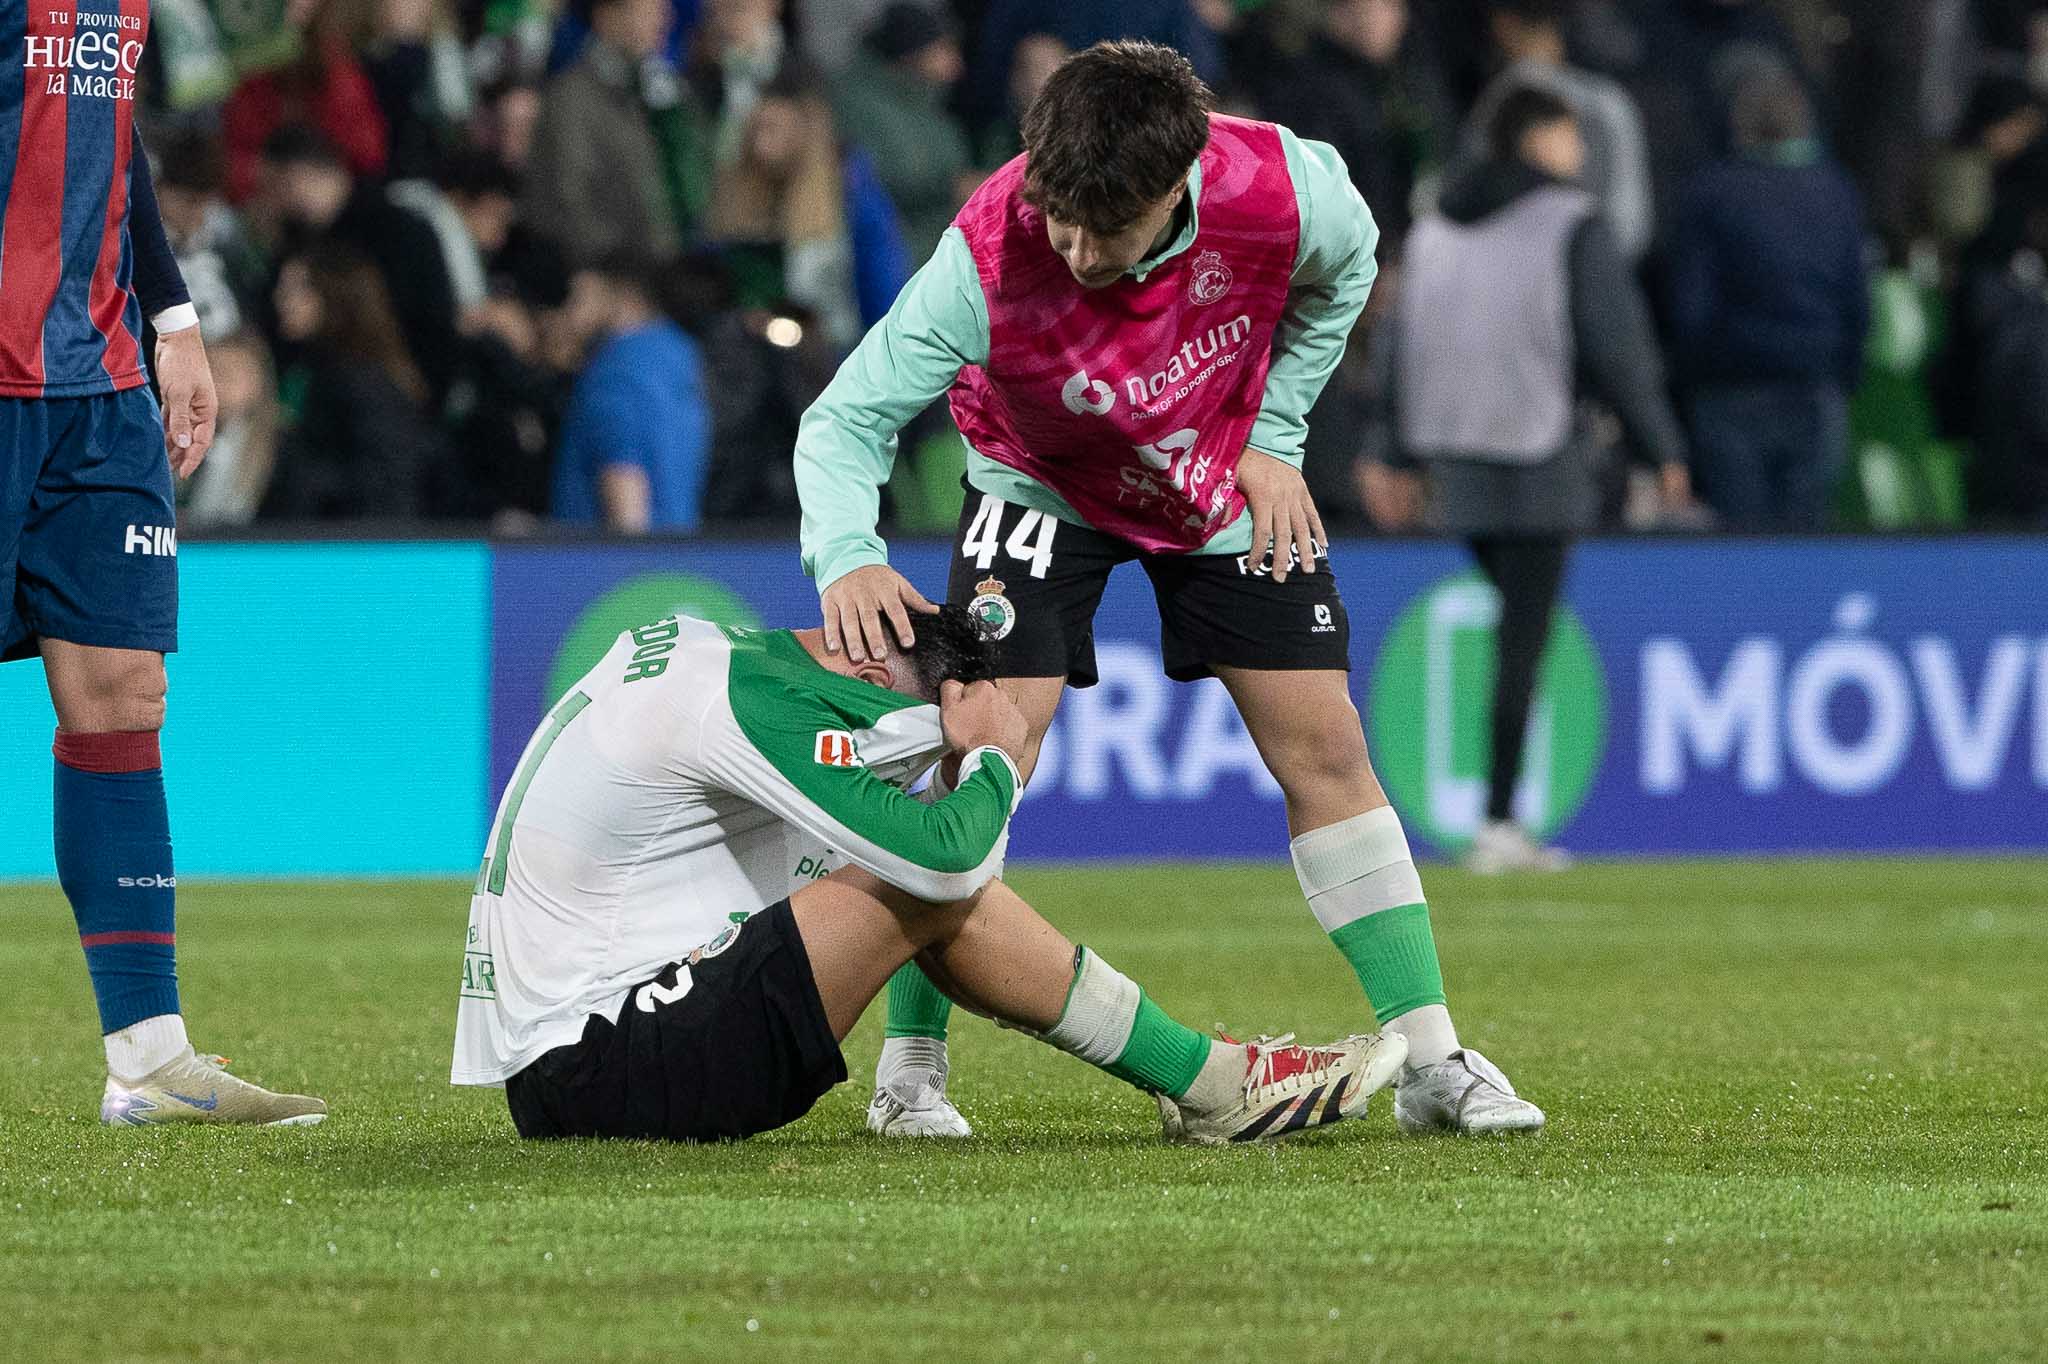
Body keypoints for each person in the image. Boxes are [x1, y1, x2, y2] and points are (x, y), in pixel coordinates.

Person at [793, 41, 1544, 1139]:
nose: (1079, 249)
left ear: (1181, 183)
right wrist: (848, 552)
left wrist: (1276, 433)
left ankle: (1430, 1061)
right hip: (1036, 482)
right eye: (1062, 217)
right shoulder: (986, 255)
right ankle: (909, 1067)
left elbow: (1353, 264)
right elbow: (843, 417)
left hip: (1217, 476)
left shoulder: (1285, 189)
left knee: (1324, 745)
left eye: (1112, 227)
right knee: (976, 753)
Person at [452, 604, 1407, 1144]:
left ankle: (1183, 1084)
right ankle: (1216, 1085)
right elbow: (946, 859)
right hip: (604, 1067)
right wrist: (987, 758)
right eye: (905, 737)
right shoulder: (744, 704)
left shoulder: (713, 651)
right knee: (918, 874)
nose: (902, 758)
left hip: (581, 1052)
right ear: (872, 678)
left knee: (888, 854)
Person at [1, 12, 324, 1124]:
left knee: (123, 693)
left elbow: (106, 135)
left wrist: (174, 316)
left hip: (96, 388)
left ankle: (146, 1054)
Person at [1366, 89, 1691, 871]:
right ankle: (1500, 821)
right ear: (1538, 137)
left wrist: (1396, 448)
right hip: (1539, 449)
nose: (1578, 150)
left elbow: (1400, 342)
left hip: (1453, 452)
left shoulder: (1436, 224)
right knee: (1524, 636)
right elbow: (1616, 346)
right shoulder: (1571, 222)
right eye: (1568, 133)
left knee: (1515, 628)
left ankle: (1498, 816)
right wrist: (1660, 446)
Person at [1667, 66, 1869, 532]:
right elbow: (1856, 301)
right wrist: (1845, 374)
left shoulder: (1712, 193)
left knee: (1741, 543)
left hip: (1730, 389)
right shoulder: (1836, 192)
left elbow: (1691, 308)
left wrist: (1693, 375)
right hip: (1815, 385)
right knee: (1805, 539)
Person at [263, 244, 449, 519]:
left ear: (336, 296)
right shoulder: (311, 369)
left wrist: (304, 481)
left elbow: (387, 479)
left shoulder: (361, 381)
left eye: (298, 290)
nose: (281, 299)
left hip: (359, 547)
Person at [1462, 0, 1654, 265]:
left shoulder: (1493, 108)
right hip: (1590, 273)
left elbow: (1463, 213)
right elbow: (1630, 230)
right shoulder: (1610, 103)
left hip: (1516, 281)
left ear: (1502, 24)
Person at [524, 0, 712, 265]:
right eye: (650, 9)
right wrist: (622, 269)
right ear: (606, 16)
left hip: (680, 277)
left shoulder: (674, 92)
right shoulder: (570, 98)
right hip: (609, 280)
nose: (664, 19)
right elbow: (565, 203)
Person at [550, 253, 712, 532]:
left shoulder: (615, 371)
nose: (569, 313)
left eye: (579, 299)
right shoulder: (680, 355)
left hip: (616, 566)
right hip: (679, 552)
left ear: (621, 298)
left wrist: (630, 561)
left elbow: (625, 480)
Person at [831, 3, 976, 261]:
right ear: (912, 53)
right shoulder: (857, 105)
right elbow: (870, 182)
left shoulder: (928, 104)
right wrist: (948, 189)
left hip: (936, 256)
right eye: (943, 50)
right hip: (892, 261)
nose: (956, 65)